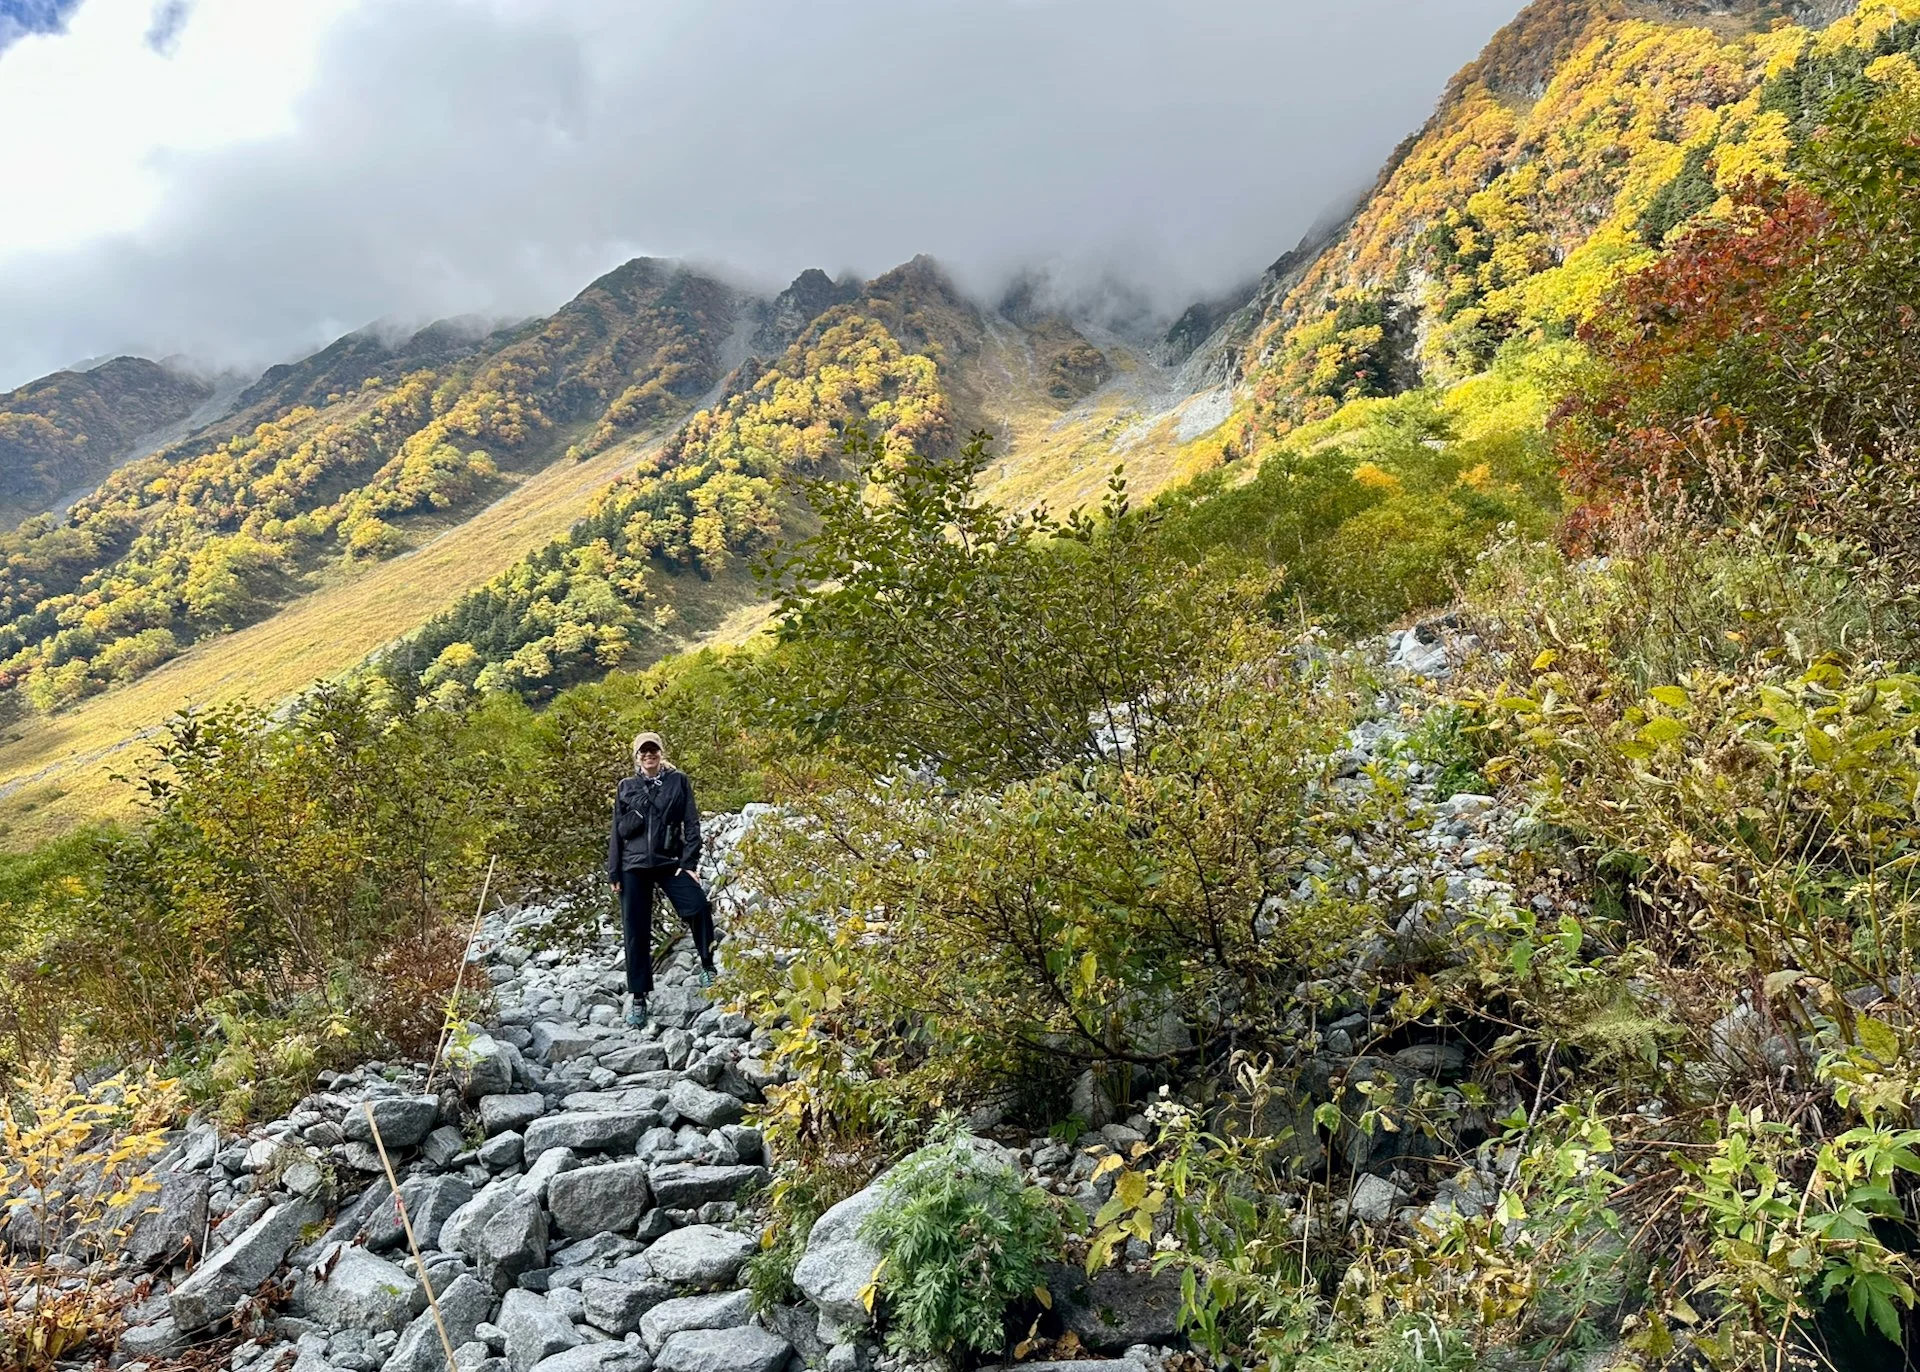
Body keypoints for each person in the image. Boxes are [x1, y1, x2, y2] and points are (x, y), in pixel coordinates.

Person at [607, 731, 717, 1027]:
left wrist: (689, 862)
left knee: (698, 907)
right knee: (635, 931)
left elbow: (691, 821)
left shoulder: (677, 780)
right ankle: (639, 998)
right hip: (634, 866)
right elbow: (616, 832)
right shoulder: (626, 786)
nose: (648, 755)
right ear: (636, 756)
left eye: (653, 750)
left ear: (661, 752)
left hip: (669, 862)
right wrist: (614, 871)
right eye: (643, 751)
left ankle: (708, 966)